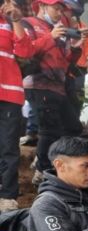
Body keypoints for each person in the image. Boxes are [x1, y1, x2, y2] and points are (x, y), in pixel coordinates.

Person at [22, 0, 85, 183]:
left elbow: (66, 61)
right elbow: (26, 51)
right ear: (42, 6)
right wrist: (50, 36)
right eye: (56, 8)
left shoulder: (60, 29)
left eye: (61, 9)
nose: (59, 12)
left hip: (58, 86)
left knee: (73, 127)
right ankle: (42, 172)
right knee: (49, 129)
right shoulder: (28, 23)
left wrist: (75, 45)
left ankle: (48, 161)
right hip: (38, 83)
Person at [0, 0, 32, 212]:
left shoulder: (11, 22)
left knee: (8, 146)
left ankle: (8, 196)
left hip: (9, 93)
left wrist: (17, 19)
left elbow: (25, 52)